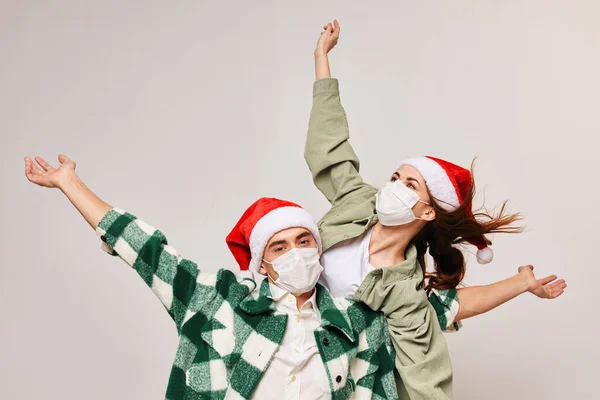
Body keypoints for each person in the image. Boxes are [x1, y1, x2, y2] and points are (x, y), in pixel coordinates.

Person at [305, 20, 567, 400]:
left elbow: (429, 355)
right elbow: (328, 146)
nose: (393, 187)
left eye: (410, 185)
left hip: (332, 377)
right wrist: (321, 61)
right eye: (396, 176)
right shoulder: (357, 201)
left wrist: (522, 283)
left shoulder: (405, 290)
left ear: (428, 212)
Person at [24, 154, 400, 399]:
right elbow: (148, 252)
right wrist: (70, 183)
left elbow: (377, 392)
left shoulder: (356, 320)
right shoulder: (217, 300)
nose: (296, 252)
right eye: (279, 247)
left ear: (318, 249)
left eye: (304, 241)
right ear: (262, 264)